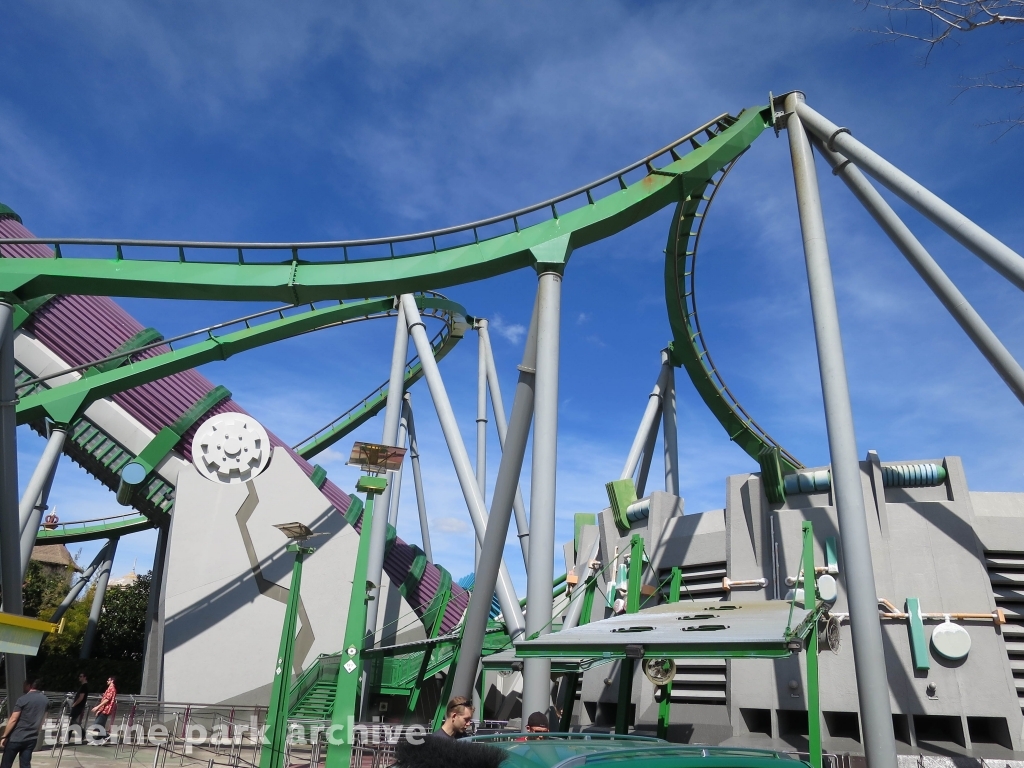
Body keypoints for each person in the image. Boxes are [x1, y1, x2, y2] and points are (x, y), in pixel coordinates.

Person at [0, 680, 49, 768]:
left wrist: (4, 736)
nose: (23, 687)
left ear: (29, 685)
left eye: (24, 685)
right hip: (31, 738)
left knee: (6, 764)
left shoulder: (22, 699)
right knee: (25, 764)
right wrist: (36, 732)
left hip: (16, 737)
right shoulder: (45, 700)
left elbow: (13, 719)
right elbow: (42, 720)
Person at [90, 676, 117, 741]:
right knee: (100, 726)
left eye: (108, 680)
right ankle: (99, 739)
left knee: (97, 725)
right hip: (104, 709)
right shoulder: (110, 689)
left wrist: (97, 707)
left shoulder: (111, 689)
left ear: (112, 681)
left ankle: (105, 736)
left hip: (105, 710)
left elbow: (107, 700)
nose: (107, 681)